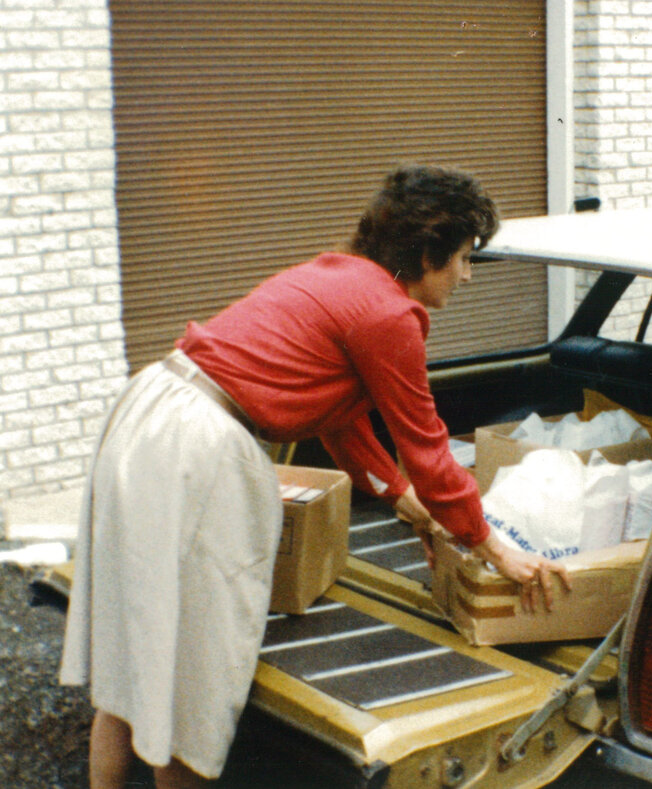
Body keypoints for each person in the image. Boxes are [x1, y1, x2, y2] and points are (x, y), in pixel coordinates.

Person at [60, 165, 572, 789]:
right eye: (464, 258)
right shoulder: (389, 315)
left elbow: (340, 423)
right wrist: (494, 547)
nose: (467, 276)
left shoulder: (338, 277)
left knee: (135, 649)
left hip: (150, 411)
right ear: (426, 253)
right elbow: (430, 451)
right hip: (200, 446)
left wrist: (401, 500)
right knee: (191, 674)